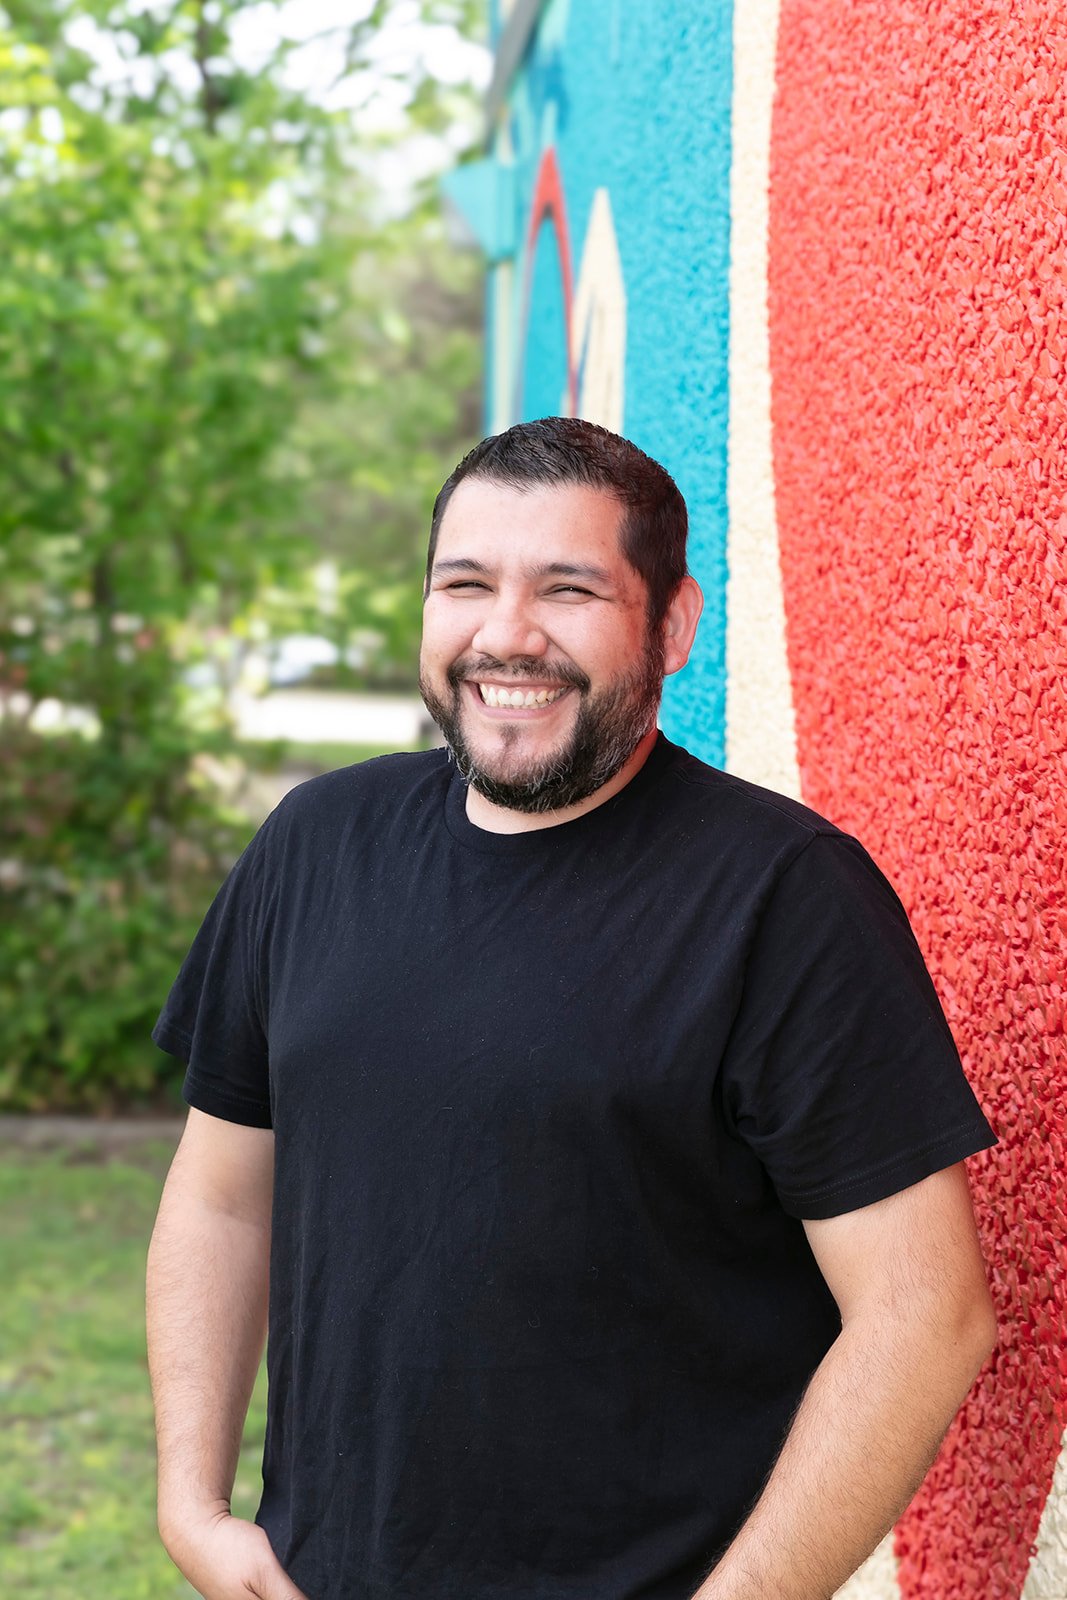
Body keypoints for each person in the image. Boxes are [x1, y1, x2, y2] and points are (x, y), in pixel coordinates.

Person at [146, 416, 997, 1600]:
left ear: (672, 625)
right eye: (465, 583)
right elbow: (223, 1196)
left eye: (567, 588)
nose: (505, 633)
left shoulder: (783, 897)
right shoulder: (314, 845)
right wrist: (191, 1503)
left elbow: (923, 1313)